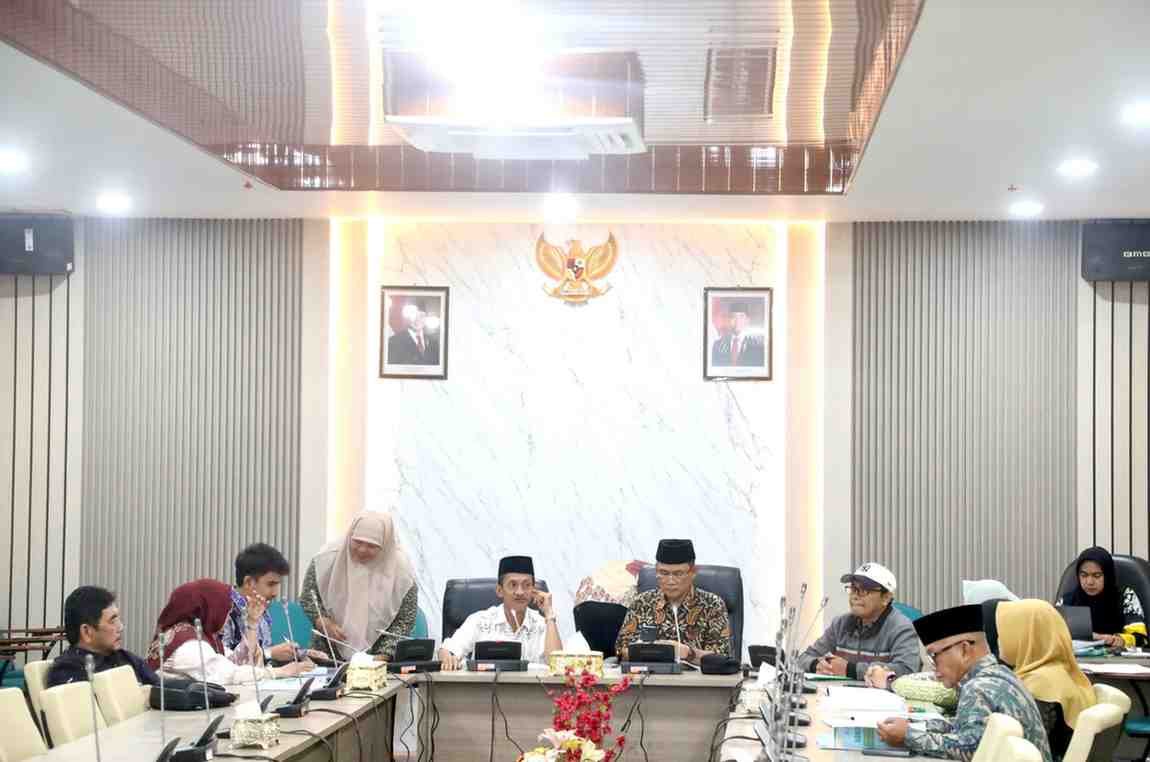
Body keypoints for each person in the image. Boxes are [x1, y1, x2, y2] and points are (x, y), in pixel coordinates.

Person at [876, 604, 1052, 762]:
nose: (933, 666)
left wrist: (908, 736)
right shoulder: (1000, 673)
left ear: (964, 650)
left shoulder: (979, 688)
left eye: (934, 655)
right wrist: (916, 725)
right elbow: (965, 726)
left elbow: (968, 749)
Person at [300, 511, 418, 660]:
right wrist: (322, 621)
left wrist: (382, 655)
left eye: (372, 546)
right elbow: (308, 597)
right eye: (357, 542)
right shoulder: (326, 559)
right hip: (326, 652)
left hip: (378, 657)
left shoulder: (402, 572)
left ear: (385, 546)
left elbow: (404, 620)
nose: (362, 549)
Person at [145, 579, 312, 684]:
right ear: (209, 609)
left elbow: (238, 660)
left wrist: (252, 624)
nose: (226, 617)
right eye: (225, 609)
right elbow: (231, 674)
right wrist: (280, 672)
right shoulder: (187, 645)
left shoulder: (199, 635)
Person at [994, 599, 1096, 760]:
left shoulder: (1040, 685)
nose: (999, 639)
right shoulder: (1058, 672)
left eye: (1005, 632)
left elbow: (1021, 746)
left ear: (1027, 635)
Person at [798, 562, 921, 687]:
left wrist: (850, 669)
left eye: (864, 590)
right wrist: (816, 665)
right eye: (853, 589)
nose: (855, 596)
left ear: (886, 598)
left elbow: (907, 671)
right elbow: (803, 658)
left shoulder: (901, 627)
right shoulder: (840, 624)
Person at [615, 539, 731, 664]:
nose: (670, 581)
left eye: (678, 574)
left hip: (695, 676)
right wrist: (649, 651)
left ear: (693, 572)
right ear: (656, 572)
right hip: (649, 674)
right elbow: (620, 650)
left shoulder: (713, 605)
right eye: (664, 573)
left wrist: (688, 653)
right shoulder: (642, 602)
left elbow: (722, 658)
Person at [439, 555, 562, 670]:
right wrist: (448, 657)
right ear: (499, 590)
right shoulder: (480, 621)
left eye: (527, 585)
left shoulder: (542, 624)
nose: (520, 592)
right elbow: (446, 650)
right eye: (513, 585)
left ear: (533, 590)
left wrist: (549, 614)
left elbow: (558, 665)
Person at [46, 586, 159, 688]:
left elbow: (161, 691)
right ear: (86, 632)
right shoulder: (66, 672)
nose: (121, 627)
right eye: (112, 621)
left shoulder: (126, 658)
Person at [219, 543, 300, 665]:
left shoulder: (262, 610)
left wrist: (299, 654)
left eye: (278, 584)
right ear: (248, 582)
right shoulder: (223, 611)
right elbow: (223, 664)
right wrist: (270, 653)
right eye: (271, 584)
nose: (275, 593)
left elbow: (264, 663)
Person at [1059, 546, 1147, 649]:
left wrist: (1120, 640)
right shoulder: (1067, 600)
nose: (1089, 582)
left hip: (1116, 657)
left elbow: (1140, 638)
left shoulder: (1126, 597)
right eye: (1084, 575)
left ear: (1107, 576)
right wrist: (1095, 637)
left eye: (1097, 576)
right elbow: (1053, 634)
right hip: (1077, 657)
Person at [711, 302, 765, 368]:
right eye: (733, 317)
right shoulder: (718, 345)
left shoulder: (758, 346)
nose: (737, 321)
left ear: (747, 320)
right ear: (729, 320)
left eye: (741, 316)